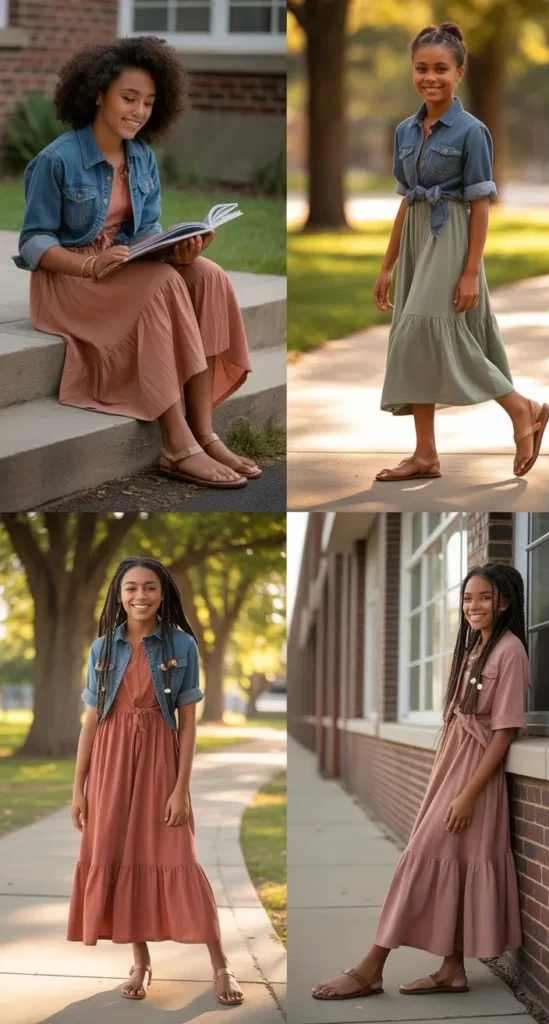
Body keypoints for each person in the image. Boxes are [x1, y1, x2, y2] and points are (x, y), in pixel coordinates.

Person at [14, 36, 262, 490]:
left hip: (123, 268)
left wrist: (177, 248)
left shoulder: (142, 157)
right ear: (97, 94)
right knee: (162, 285)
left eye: (149, 102)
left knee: (206, 276)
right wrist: (89, 266)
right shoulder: (57, 160)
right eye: (129, 98)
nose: (139, 111)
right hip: (70, 281)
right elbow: (32, 243)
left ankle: (204, 432)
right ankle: (176, 443)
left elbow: (146, 229)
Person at [312, 562, 529, 1000]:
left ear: (504, 601)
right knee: (453, 867)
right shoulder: (475, 649)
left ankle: (371, 967)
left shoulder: (509, 651)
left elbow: (504, 732)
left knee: (421, 858)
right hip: (452, 769)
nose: (474, 605)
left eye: (484, 597)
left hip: (473, 779)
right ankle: (452, 970)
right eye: (468, 598)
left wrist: (468, 795)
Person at [373, 23, 549, 483]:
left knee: (430, 334)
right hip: (416, 238)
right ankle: (426, 455)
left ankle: (521, 407)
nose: (430, 77)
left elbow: (480, 206)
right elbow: (407, 200)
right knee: (417, 344)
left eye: (441, 69)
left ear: (460, 72)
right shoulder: (405, 131)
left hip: (451, 238)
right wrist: (388, 264)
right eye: (421, 68)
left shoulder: (473, 132)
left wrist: (470, 270)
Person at [68, 556, 244, 1006]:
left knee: (177, 856)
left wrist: (181, 787)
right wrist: (79, 788)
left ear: (163, 594)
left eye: (149, 587)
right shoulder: (101, 648)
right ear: (119, 594)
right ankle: (141, 961)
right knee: (119, 856)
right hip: (109, 763)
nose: (140, 596)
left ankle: (221, 965)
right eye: (131, 588)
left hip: (159, 764)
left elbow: (188, 723)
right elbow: (91, 722)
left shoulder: (181, 645)